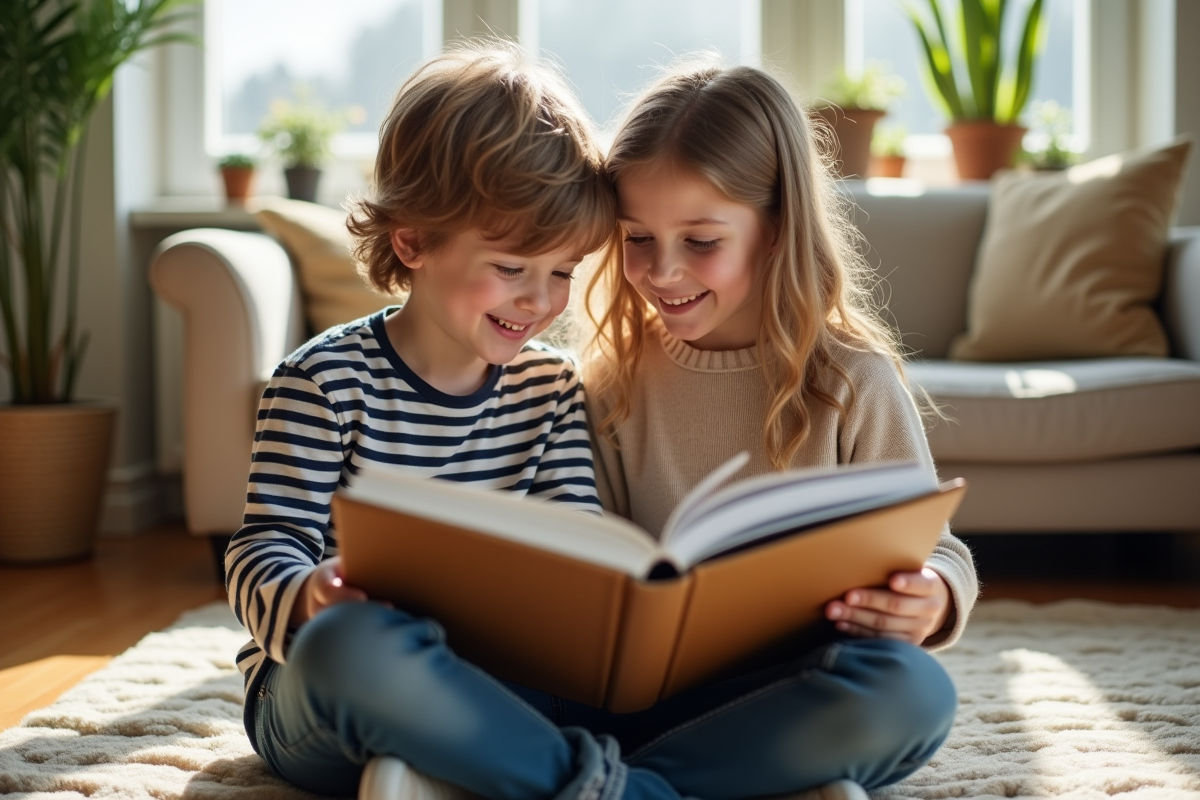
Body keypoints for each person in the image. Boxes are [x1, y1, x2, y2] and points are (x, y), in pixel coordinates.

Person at [223, 41, 677, 800]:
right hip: (324, 691)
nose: (540, 301)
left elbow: (571, 529)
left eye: (563, 271)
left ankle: (467, 767)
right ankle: (591, 785)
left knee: (622, 682)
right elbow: (262, 548)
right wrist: (312, 599)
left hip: (491, 680)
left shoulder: (551, 387)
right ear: (414, 241)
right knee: (351, 649)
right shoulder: (320, 382)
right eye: (511, 267)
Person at [580, 58, 980, 800]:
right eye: (636, 238)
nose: (662, 271)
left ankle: (633, 790)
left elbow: (937, 549)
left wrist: (933, 595)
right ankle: (728, 777)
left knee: (914, 694)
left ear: (775, 229)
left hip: (796, 680)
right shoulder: (612, 381)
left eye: (701, 241)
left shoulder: (851, 379)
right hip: (644, 698)